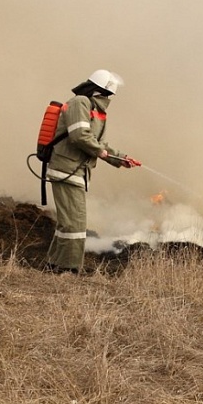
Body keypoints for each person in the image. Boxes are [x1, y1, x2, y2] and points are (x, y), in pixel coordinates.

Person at [45, 69, 141, 274]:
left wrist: (121, 158)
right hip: (66, 169)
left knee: (68, 223)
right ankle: (68, 270)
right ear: (101, 91)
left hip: (75, 170)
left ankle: (55, 265)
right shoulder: (80, 102)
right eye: (108, 95)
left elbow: (98, 143)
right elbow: (79, 135)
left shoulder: (95, 110)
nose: (109, 99)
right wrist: (103, 153)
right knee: (76, 225)